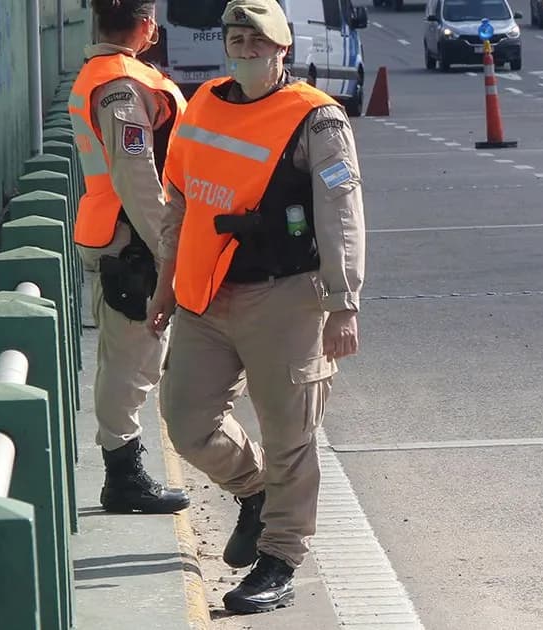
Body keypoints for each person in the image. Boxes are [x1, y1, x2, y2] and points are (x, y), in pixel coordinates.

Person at [147, 0, 366, 615]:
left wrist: (344, 301)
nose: (245, 47)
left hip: (287, 297)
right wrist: (165, 286)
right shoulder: (205, 105)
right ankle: (254, 489)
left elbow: (341, 212)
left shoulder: (317, 121)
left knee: (290, 433)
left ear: (282, 49)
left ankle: (280, 558)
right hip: (206, 294)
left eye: (257, 39)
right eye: (235, 37)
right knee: (185, 417)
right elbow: (180, 206)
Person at [68, 0, 190, 513]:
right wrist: (169, 254)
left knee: (131, 355)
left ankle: (124, 468)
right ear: (147, 25)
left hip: (122, 234)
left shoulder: (112, 75)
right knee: (131, 358)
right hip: (133, 240)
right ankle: (124, 477)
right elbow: (137, 178)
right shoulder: (119, 86)